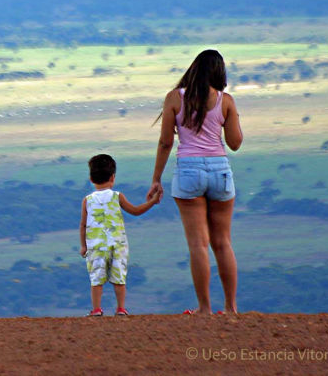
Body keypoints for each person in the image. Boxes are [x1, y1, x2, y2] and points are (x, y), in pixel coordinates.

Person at [147, 49, 243, 315]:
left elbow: (166, 141)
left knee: (198, 244)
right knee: (223, 242)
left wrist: (156, 179)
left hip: (188, 170)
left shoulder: (174, 99)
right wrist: (232, 117)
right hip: (220, 170)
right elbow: (235, 143)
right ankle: (232, 308)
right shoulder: (226, 101)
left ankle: (204, 308)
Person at [80, 153, 159, 316]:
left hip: (96, 246)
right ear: (113, 177)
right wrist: (153, 202)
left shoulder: (87, 200)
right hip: (118, 245)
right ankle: (121, 308)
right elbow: (136, 211)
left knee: (96, 279)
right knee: (119, 278)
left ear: (91, 178)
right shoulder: (117, 196)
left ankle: (96, 309)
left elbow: (83, 225)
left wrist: (83, 245)